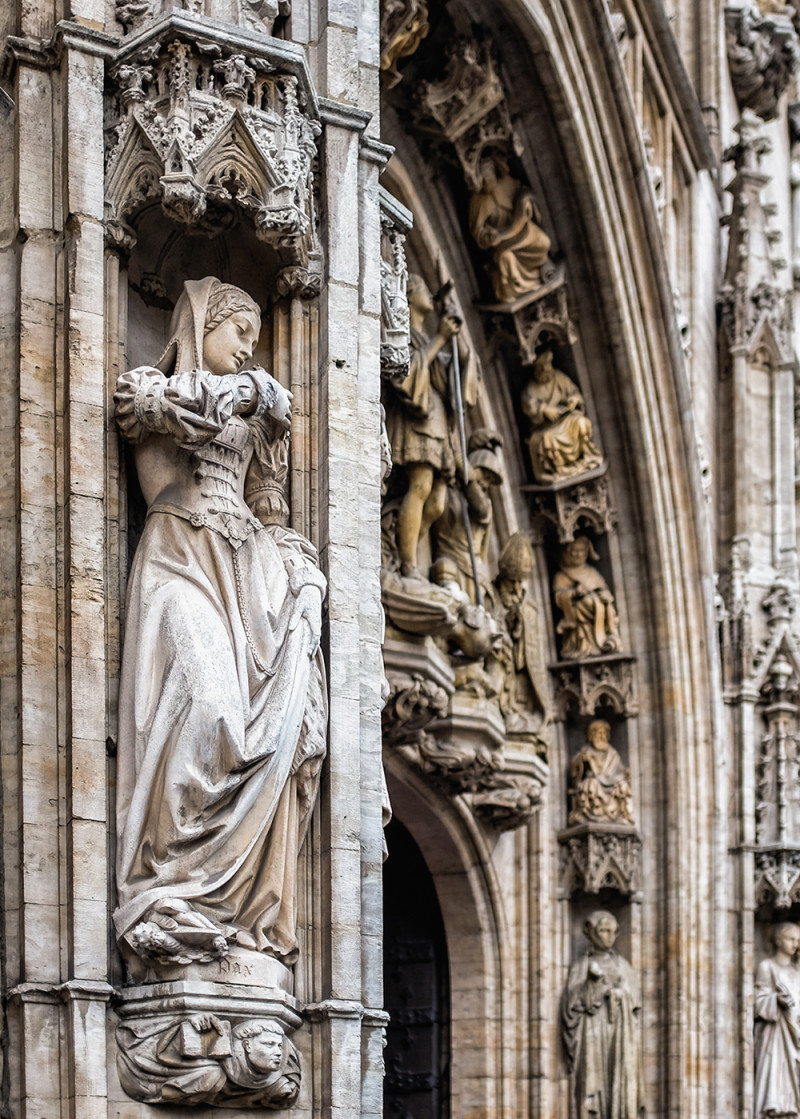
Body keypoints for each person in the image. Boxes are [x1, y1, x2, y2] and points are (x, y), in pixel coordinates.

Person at [112, 276, 327, 969]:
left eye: (257, 342)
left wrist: (299, 571)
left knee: (277, 727)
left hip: (249, 578)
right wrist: (239, 392)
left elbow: (269, 500)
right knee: (209, 712)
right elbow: (150, 410)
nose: (248, 349)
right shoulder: (150, 386)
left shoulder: (252, 406)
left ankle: (233, 911)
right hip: (182, 560)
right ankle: (169, 885)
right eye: (239, 333)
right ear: (204, 324)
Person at [384, 273, 477, 579]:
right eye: (424, 290)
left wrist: (452, 322)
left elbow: (462, 366)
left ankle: (401, 545)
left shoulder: (426, 336)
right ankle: (409, 564)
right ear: (410, 296)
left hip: (437, 422)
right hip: (417, 418)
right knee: (421, 486)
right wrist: (439, 337)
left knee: (437, 501)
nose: (429, 296)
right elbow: (405, 372)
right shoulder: (406, 334)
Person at [562, 911, 643, 1119]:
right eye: (603, 930)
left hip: (619, 1034)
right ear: (590, 931)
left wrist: (619, 995)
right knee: (592, 1080)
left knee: (620, 1080)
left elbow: (635, 1007)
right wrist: (591, 985)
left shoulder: (623, 966)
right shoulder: (581, 966)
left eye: (612, 931)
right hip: (592, 1034)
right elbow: (571, 1007)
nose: (608, 936)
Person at [469, 154, 552, 304]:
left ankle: (541, 267)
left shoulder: (506, 182)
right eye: (483, 178)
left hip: (521, 229)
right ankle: (513, 287)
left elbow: (524, 192)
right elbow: (478, 230)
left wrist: (527, 202)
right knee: (505, 258)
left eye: (488, 176)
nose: (487, 181)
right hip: (502, 240)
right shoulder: (480, 201)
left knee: (544, 242)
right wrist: (489, 236)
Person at [521, 350, 602, 482]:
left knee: (582, 423)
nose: (546, 373)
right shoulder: (530, 389)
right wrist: (544, 410)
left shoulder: (559, 378)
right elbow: (530, 407)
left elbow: (575, 393)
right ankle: (561, 468)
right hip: (546, 427)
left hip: (565, 420)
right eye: (542, 370)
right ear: (536, 371)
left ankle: (587, 457)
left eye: (548, 369)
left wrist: (574, 400)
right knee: (548, 439)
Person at [754, 923, 800, 1119]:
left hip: (796, 1028)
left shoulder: (797, 971)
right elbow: (757, 1001)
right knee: (777, 1072)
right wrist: (776, 1000)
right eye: (791, 939)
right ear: (778, 940)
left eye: (798, 940)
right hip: (777, 1032)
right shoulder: (767, 967)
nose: (795, 944)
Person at [553, 536, 621, 659]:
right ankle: (582, 646)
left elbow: (603, 589)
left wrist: (605, 596)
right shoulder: (561, 576)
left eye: (582, 551)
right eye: (575, 550)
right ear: (567, 552)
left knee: (602, 603)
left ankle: (611, 635)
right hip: (579, 623)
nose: (579, 554)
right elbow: (559, 597)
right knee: (587, 602)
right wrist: (574, 593)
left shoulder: (592, 572)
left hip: (598, 619)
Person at [568, 720, 633, 826]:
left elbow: (620, 771)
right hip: (594, 781)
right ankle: (594, 814)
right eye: (599, 733)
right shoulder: (586, 751)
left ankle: (618, 815)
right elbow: (576, 770)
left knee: (624, 785)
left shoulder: (613, 754)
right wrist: (582, 761)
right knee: (591, 784)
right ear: (591, 735)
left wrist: (626, 773)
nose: (602, 737)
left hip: (610, 782)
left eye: (604, 733)